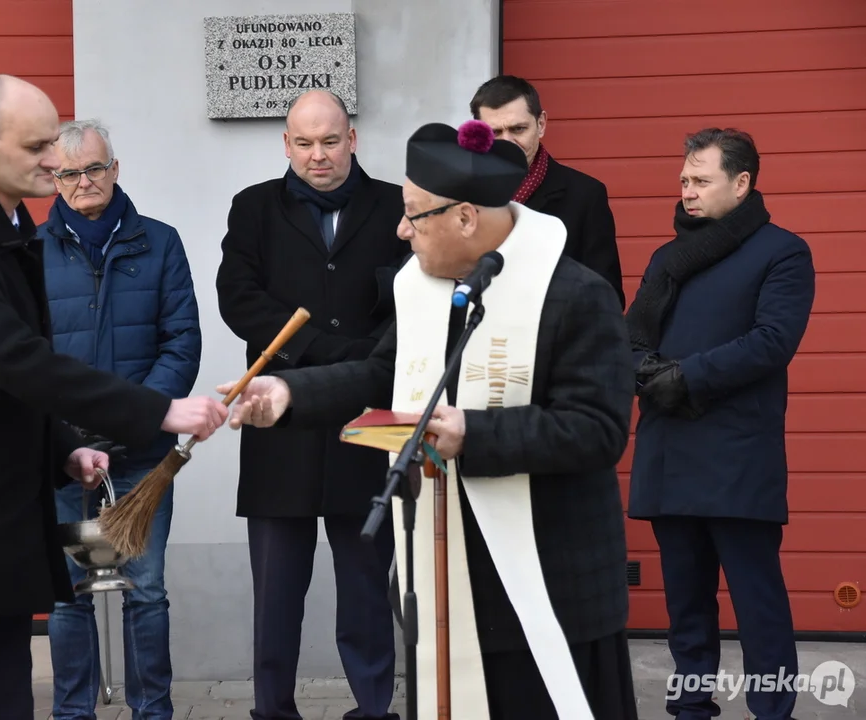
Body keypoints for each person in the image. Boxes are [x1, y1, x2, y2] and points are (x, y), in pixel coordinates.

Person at [217, 119, 639, 720]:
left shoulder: (573, 294)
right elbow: (378, 373)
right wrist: (287, 393)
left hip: (550, 586)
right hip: (446, 573)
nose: (399, 229)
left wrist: (474, 433)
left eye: (412, 215)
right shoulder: (425, 287)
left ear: (465, 218)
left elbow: (598, 430)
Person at [0, 74, 228, 720]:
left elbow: (0, 377)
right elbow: (17, 359)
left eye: (53, 143)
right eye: (36, 148)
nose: (55, 162)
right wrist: (157, 411)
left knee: (2, 703)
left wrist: (62, 447)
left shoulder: (5, 227)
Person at [214, 88, 410, 720]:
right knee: (276, 591)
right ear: (286, 145)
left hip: (366, 420)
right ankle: (272, 709)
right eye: (304, 143)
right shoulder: (254, 208)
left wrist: (366, 363)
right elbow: (239, 298)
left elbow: (414, 295)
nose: (318, 155)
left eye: (330, 141)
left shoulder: (393, 206)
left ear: (352, 139)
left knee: (366, 586)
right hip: (280, 423)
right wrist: (331, 353)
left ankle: (374, 707)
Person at [625, 128, 815, 720]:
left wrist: (684, 377)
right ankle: (691, 708)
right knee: (686, 605)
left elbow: (771, 343)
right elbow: (631, 338)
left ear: (741, 183)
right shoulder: (666, 258)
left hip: (737, 458)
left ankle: (773, 710)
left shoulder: (783, 252)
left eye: (701, 181)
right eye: (684, 180)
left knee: (757, 601)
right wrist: (645, 370)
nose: (688, 191)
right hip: (669, 453)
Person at [39, 117, 201, 719]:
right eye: (70, 173)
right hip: (64, 457)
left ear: (116, 169)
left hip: (141, 456)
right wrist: (66, 437)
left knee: (148, 591)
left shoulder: (159, 242)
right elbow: (25, 358)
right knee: (66, 598)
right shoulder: (31, 254)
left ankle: (152, 711)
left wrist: (137, 420)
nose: (85, 181)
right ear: (53, 180)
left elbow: (181, 341)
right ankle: (73, 713)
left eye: (95, 168)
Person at [469, 74, 625, 307]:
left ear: (541, 124)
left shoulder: (585, 195)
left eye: (518, 129)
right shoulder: (461, 194)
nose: (508, 142)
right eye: (495, 133)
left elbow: (606, 294)